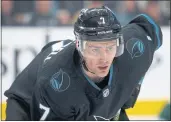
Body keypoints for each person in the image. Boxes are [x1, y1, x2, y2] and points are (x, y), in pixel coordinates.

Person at [4, 6, 163, 120]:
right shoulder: (57, 83)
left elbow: (150, 28)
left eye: (109, 47)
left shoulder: (134, 48)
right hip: (26, 104)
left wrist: (135, 82)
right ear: (79, 46)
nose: (104, 58)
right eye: (95, 49)